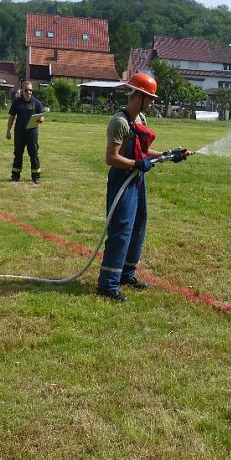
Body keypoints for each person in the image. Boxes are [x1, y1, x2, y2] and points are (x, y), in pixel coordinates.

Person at [96, 73, 167, 302]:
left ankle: (127, 274)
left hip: (137, 179)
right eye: (150, 98)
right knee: (121, 229)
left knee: (138, 225)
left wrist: (167, 155)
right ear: (139, 95)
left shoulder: (141, 120)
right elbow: (111, 158)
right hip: (121, 181)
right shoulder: (120, 122)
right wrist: (137, 163)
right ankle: (108, 284)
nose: (153, 102)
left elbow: (144, 153)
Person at [6, 81, 45, 183]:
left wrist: (41, 120)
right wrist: (8, 131)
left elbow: (41, 116)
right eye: (27, 90)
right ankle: (15, 176)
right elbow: (11, 118)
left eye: (31, 90)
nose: (29, 92)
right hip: (19, 132)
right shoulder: (17, 102)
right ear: (22, 90)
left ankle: (36, 176)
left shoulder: (36, 102)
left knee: (34, 153)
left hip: (32, 133)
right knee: (18, 153)